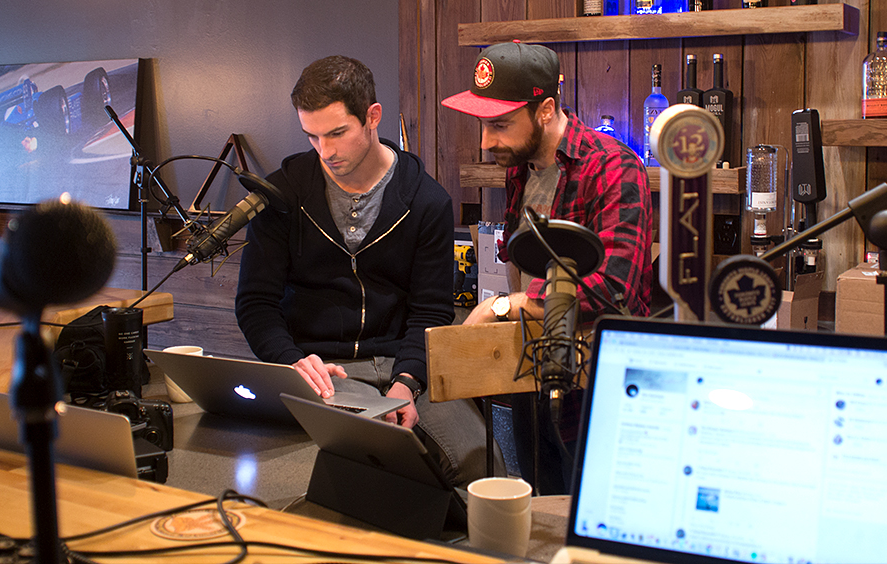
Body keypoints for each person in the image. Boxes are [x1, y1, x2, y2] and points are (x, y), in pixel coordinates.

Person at [236, 55, 505, 488]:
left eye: (337, 133)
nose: (325, 151)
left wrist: (407, 382)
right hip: (319, 367)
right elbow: (255, 304)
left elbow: (431, 311)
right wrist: (291, 362)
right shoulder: (283, 193)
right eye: (312, 136)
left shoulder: (427, 201)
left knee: (481, 468)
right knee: (325, 476)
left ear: (372, 117)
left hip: (403, 359)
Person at [442, 42, 653, 493]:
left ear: (545, 109)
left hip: (596, 386)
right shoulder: (520, 168)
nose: (486, 141)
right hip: (531, 373)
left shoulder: (614, 167)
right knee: (540, 517)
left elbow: (613, 288)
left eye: (500, 125)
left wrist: (506, 307)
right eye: (483, 124)